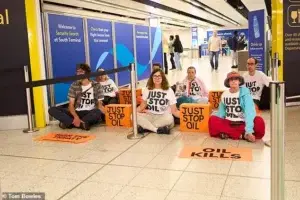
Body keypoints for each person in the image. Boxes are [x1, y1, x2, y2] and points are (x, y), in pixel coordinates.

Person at [208, 71, 265, 143]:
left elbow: (249, 112)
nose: (233, 81)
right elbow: (221, 113)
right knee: (212, 120)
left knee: (259, 121)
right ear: (228, 82)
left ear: (239, 81)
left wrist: (249, 130)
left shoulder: (245, 93)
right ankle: (241, 135)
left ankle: (230, 134)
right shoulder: (224, 94)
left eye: (236, 79)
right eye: (231, 79)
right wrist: (217, 118)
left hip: (243, 123)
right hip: (228, 122)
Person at [48, 64, 105, 130]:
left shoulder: (97, 85)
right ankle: (82, 123)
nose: (78, 74)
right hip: (76, 112)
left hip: (90, 112)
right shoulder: (74, 85)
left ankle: (69, 123)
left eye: (81, 72)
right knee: (52, 109)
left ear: (87, 73)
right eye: (77, 72)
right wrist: (76, 117)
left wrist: (106, 115)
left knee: (97, 112)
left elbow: (99, 104)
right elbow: (71, 104)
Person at [137, 69, 180, 134]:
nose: (157, 78)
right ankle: (156, 130)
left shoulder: (169, 90)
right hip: (151, 116)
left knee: (169, 119)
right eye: (155, 76)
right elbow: (141, 106)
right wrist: (133, 113)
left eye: (159, 76)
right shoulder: (147, 89)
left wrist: (186, 117)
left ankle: (145, 127)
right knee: (133, 116)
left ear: (163, 78)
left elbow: (174, 111)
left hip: (164, 117)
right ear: (152, 78)